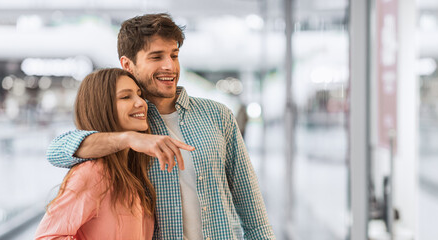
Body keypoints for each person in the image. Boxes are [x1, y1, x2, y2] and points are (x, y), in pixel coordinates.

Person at [46, 13, 275, 239]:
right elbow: (56, 151)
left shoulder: (218, 115)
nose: (170, 66)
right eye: (156, 57)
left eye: (174, 56)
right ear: (128, 64)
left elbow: (254, 214)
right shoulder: (129, 124)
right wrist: (129, 138)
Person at [35, 68, 159, 239]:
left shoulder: (130, 173)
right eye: (126, 97)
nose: (141, 103)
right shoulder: (94, 173)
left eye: (139, 95)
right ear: (102, 108)